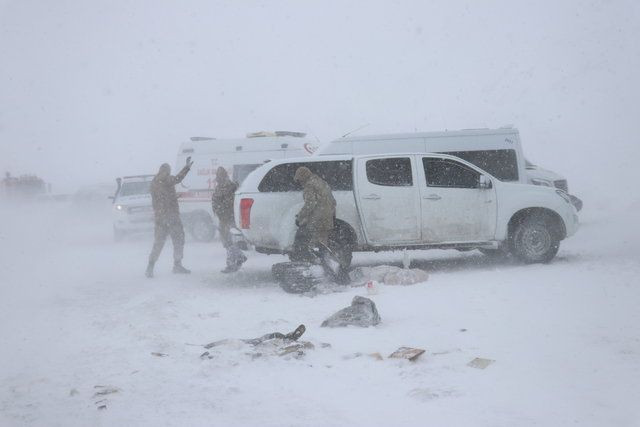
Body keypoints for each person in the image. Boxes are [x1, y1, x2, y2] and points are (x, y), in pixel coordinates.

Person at [145, 157, 194, 278]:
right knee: (178, 240)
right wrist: (186, 168)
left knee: (158, 243)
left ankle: (150, 267)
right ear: (166, 171)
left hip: (160, 218)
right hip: (171, 217)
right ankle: (177, 265)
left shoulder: (154, 182)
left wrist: (172, 197)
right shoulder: (166, 178)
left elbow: (160, 198)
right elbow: (177, 179)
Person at [292, 166, 336, 259]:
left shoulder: (309, 185)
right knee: (323, 242)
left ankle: (314, 264)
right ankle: (327, 262)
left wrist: (300, 217)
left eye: (299, 180)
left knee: (313, 243)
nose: (300, 183)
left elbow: (310, 204)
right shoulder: (321, 182)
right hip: (327, 216)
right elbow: (333, 201)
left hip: (317, 219)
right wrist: (331, 215)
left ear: (303, 177)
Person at [211, 167, 247, 273]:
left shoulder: (229, 186)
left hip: (227, 217)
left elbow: (229, 202)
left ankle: (232, 263)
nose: (218, 177)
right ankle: (239, 257)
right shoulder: (227, 185)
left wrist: (221, 209)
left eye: (219, 175)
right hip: (226, 217)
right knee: (227, 240)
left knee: (227, 241)